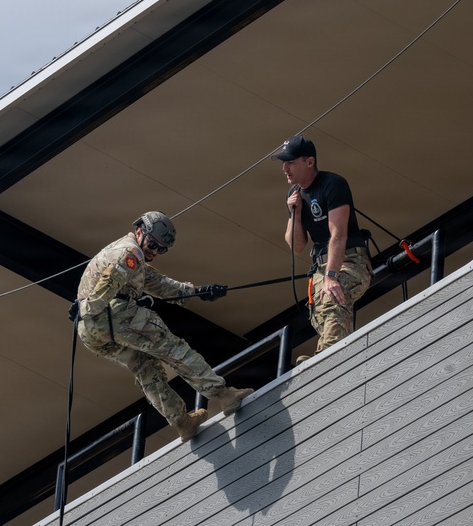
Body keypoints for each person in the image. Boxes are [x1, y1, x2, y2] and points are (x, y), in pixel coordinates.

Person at [75, 211, 254, 442]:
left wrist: (198, 291)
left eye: (161, 249)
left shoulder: (132, 253)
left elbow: (156, 283)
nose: (155, 251)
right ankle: (224, 395)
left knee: (144, 365)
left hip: (91, 332)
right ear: (139, 231)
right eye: (152, 244)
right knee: (173, 349)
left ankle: (182, 422)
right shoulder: (130, 253)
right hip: (113, 314)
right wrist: (86, 308)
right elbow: (109, 282)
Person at [272, 135, 372, 356]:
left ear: (309, 162)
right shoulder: (294, 194)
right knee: (319, 314)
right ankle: (343, 356)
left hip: (349, 260)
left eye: (291, 162)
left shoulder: (332, 184)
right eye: (283, 163)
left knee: (334, 296)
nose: (285, 169)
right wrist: (294, 214)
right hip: (320, 267)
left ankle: (326, 357)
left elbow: (338, 234)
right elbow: (296, 246)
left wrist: (331, 275)